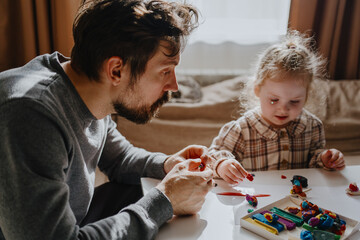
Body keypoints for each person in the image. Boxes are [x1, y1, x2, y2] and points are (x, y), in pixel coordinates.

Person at [0, 0, 214, 239]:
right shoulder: (31, 115)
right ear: (115, 71)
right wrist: (164, 200)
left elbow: (120, 158)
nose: (173, 86)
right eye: (165, 71)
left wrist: (168, 165)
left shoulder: (87, 91)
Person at [208, 30, 345, 184]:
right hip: (256, 201)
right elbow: (212, 156)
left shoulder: (313, 126)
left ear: (306, 96)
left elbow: (314, 159)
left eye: (294, 101)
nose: (283, 109)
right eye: (274, 100)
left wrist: (325, 158)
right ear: (257, 89)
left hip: (297, 201)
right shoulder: (241, 129)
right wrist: (222, 164)